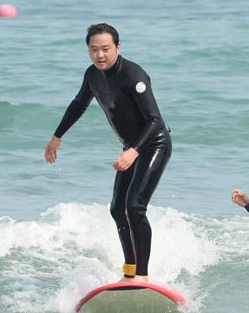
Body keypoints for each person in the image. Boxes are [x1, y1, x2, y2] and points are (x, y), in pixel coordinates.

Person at [44, 23, 171, 283]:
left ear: (117, 47)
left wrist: (135, 151)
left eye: (105, 49)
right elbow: (79, 104)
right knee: (117, 209)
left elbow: (155, 120)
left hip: (153, 144)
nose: (100, 55)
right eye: (94, 50)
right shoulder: (93, 75)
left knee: (135, 207)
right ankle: (129, 273)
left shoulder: (133, 75)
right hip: (131, 148)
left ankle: (143, 277)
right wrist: (57, 136)